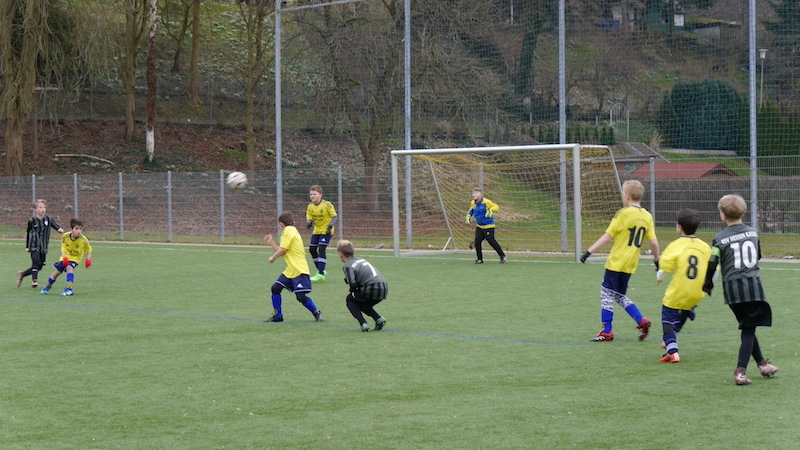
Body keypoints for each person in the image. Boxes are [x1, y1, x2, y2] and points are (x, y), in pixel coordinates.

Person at [703, 194, 778, 385]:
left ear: (723, 215)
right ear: (743, 213)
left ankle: (763, 364)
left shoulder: (719, 239)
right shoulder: (753, 233)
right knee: (748, 330)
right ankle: (740, 371)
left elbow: (712, 263)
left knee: (748, 326)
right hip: (753, 287)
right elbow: (757, 255)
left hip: (732, 290)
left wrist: (707, 284)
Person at [580, 179, 660, 342]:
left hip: (616, 262)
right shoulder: (647, 216)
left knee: (605, 294)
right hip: (630, 264)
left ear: (627, 196)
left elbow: (608, 236)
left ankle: (607, 331)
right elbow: (654, 242)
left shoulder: (623, 213)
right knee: (618, 295)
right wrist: (657, 261)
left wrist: (589, 251)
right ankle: (641, 320)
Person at [655, 209, 711, 363]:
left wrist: (659, 276)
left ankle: (672, 351)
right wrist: (709, 285)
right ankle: (672, 335)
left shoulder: (676, 245)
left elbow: (665, 265)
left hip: (679, 290)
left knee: (667, 316)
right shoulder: (705, 247)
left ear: (679, 227)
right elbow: (713, 268)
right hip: (697, 291)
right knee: (686, 308)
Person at [263, 211, 323, 323]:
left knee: (300, 296)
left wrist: (273, 258)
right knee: (275, 288)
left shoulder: (288, 231)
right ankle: (278, 316)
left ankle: (316, 312)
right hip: (291, 270)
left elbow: (283, 250)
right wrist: (271, 242)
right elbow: (283, 250)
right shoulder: (292, 230)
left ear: (281, 224)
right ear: (293, 222)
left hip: (299, 270)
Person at [337, 239, 388, 332]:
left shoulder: (347, 265)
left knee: (350, 300)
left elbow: (352, 284)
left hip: (371, 287)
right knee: (361, 303)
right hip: (383, 287)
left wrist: (353, 291)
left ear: (340, 255)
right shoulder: (361, 259)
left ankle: (363, 324)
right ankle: (379, 319)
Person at [17, 199, 64, 288]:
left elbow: (54, 225)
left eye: (44, 207)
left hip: (43, 246)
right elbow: (28, 233)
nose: (42, 209)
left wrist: (59, 229)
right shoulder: (32, 221)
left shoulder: (48, 219)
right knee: (35, 261)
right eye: (40, 207)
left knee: (40, 266)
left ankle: (22, 274)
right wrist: (27, 246)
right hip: (34, 245)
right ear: (35, 209)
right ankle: (34, 280)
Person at [40, 218, 92, 297]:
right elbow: (63, 247)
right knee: (57, 272)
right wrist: (64, 257)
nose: (79, 231)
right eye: (76, 229)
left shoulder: (83, 240)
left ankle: (69, 289)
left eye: (80, 229)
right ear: (71, 229)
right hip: (66, 257)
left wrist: (88, 259)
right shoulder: (65, 236)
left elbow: (89, 249)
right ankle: (47, 287)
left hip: (76, 258)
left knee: (69, 268)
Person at [465, 187, 506, 264]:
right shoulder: (473, 203)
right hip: (479, 226)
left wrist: (491, 210)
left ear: (481, 194)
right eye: (473, 193)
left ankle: (502, 256)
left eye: (476, 193)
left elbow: (496, 207)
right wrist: (468, 216)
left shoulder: (486, 202)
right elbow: (471, 210)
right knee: (477, 242)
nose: (474, 195)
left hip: (489, 226)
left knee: (491, 241)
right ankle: (479, 259)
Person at [306, 185, 338, 282]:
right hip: (317, 230)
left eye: (314, 194)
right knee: (312, 249)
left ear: (320, 195)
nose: (312, 196)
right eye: (311, 194)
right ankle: (321, 270)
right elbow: (309, 217)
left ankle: (320, 274)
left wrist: (330, 226)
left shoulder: (327, 204)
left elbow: (334, 216)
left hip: (326, 231)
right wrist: (309, 223)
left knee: (321, 248)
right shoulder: (310, 206)